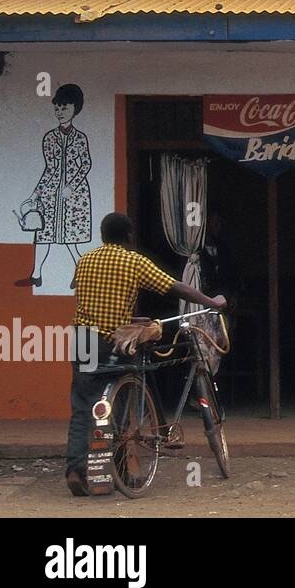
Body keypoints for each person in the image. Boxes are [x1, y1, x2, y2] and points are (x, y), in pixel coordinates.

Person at [64, 212, 226, 496]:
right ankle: (120, 471)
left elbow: (76, 288)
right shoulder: (133, 261)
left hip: (83, 340)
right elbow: (175, 287)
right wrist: (210, 301)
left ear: (102, 236)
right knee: (123, 406)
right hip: (115, 340)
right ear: (129, 236)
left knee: (81, 407)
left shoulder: (86, 260)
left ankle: (76, 469)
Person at [21, 84, 93, 288]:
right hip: (51, 194)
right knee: (43, 234)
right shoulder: (49, 138)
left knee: (71, 237)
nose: (60, 112)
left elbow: (86, 164)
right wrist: (36, 193)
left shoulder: (80, 138)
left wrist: (72, 185)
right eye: (58, 108)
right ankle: (36, 274)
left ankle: (81, 272)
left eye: (65, 108)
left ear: (75, 109)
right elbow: (49, 168)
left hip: (74, 195)